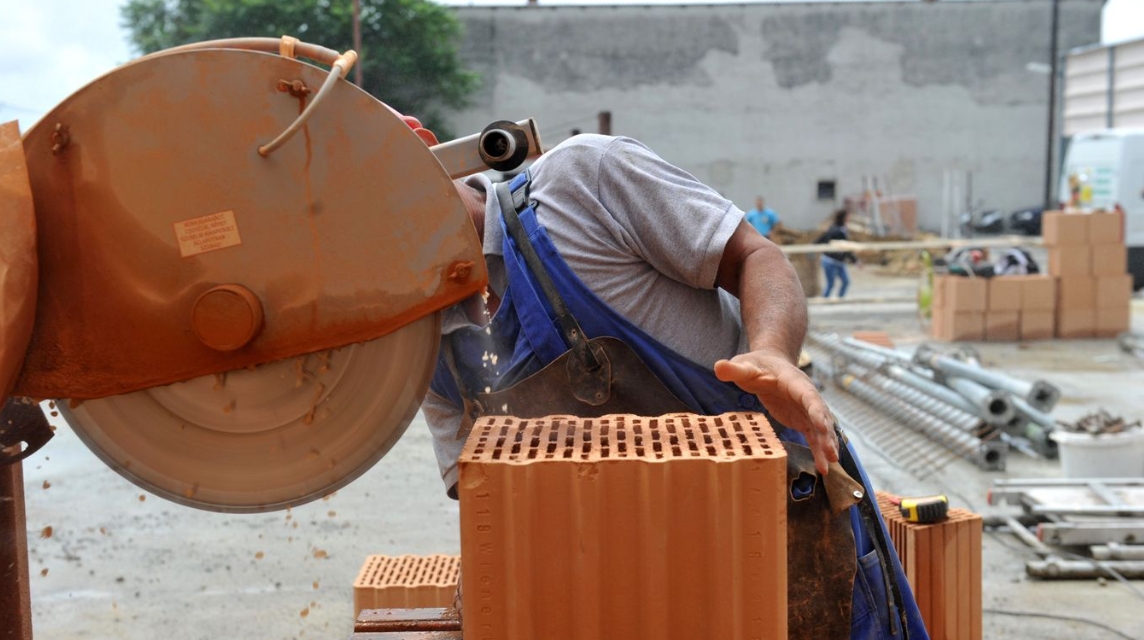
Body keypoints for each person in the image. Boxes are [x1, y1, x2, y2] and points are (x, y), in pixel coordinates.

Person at [421, 132, 926, 639]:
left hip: (783, 543)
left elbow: (756, 256)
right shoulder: (417, 353)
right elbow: (494, 508)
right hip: (629, 593)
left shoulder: (581, 183)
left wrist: (770, 351)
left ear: (416, 152)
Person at [815, 209, 859, 298]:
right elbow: (822, 240)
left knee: (846, 281)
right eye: (847, 217)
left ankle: (840, 299)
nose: (849, 218)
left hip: (839, 261)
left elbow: (846, 248)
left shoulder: (842, 229)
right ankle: (824, 300)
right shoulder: (835, 230)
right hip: (830, 260)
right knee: (831, 284)